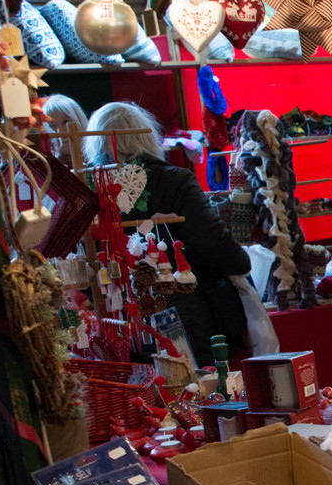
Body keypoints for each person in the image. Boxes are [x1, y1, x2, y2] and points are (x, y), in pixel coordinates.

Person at [83, 102, 252, 357]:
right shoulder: (173, 180)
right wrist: (242, 262)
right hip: (183, 309)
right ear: (147, 135)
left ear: (95, 142)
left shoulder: (89, 189)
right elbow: (209, 239)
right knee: (198, 386)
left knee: (140, 389)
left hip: (116, 315)